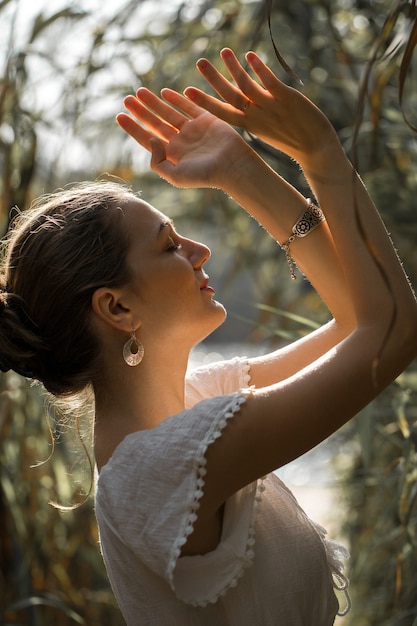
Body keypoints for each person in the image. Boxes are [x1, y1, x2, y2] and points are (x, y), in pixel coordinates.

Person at [0, 48, 416, 625]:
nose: (200, 251)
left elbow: (356, 321)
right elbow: (390, 334)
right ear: (116, 306)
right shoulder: (157, 468)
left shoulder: (195, 407)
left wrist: (243, 172)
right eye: (170, 246)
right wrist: (320, 156)